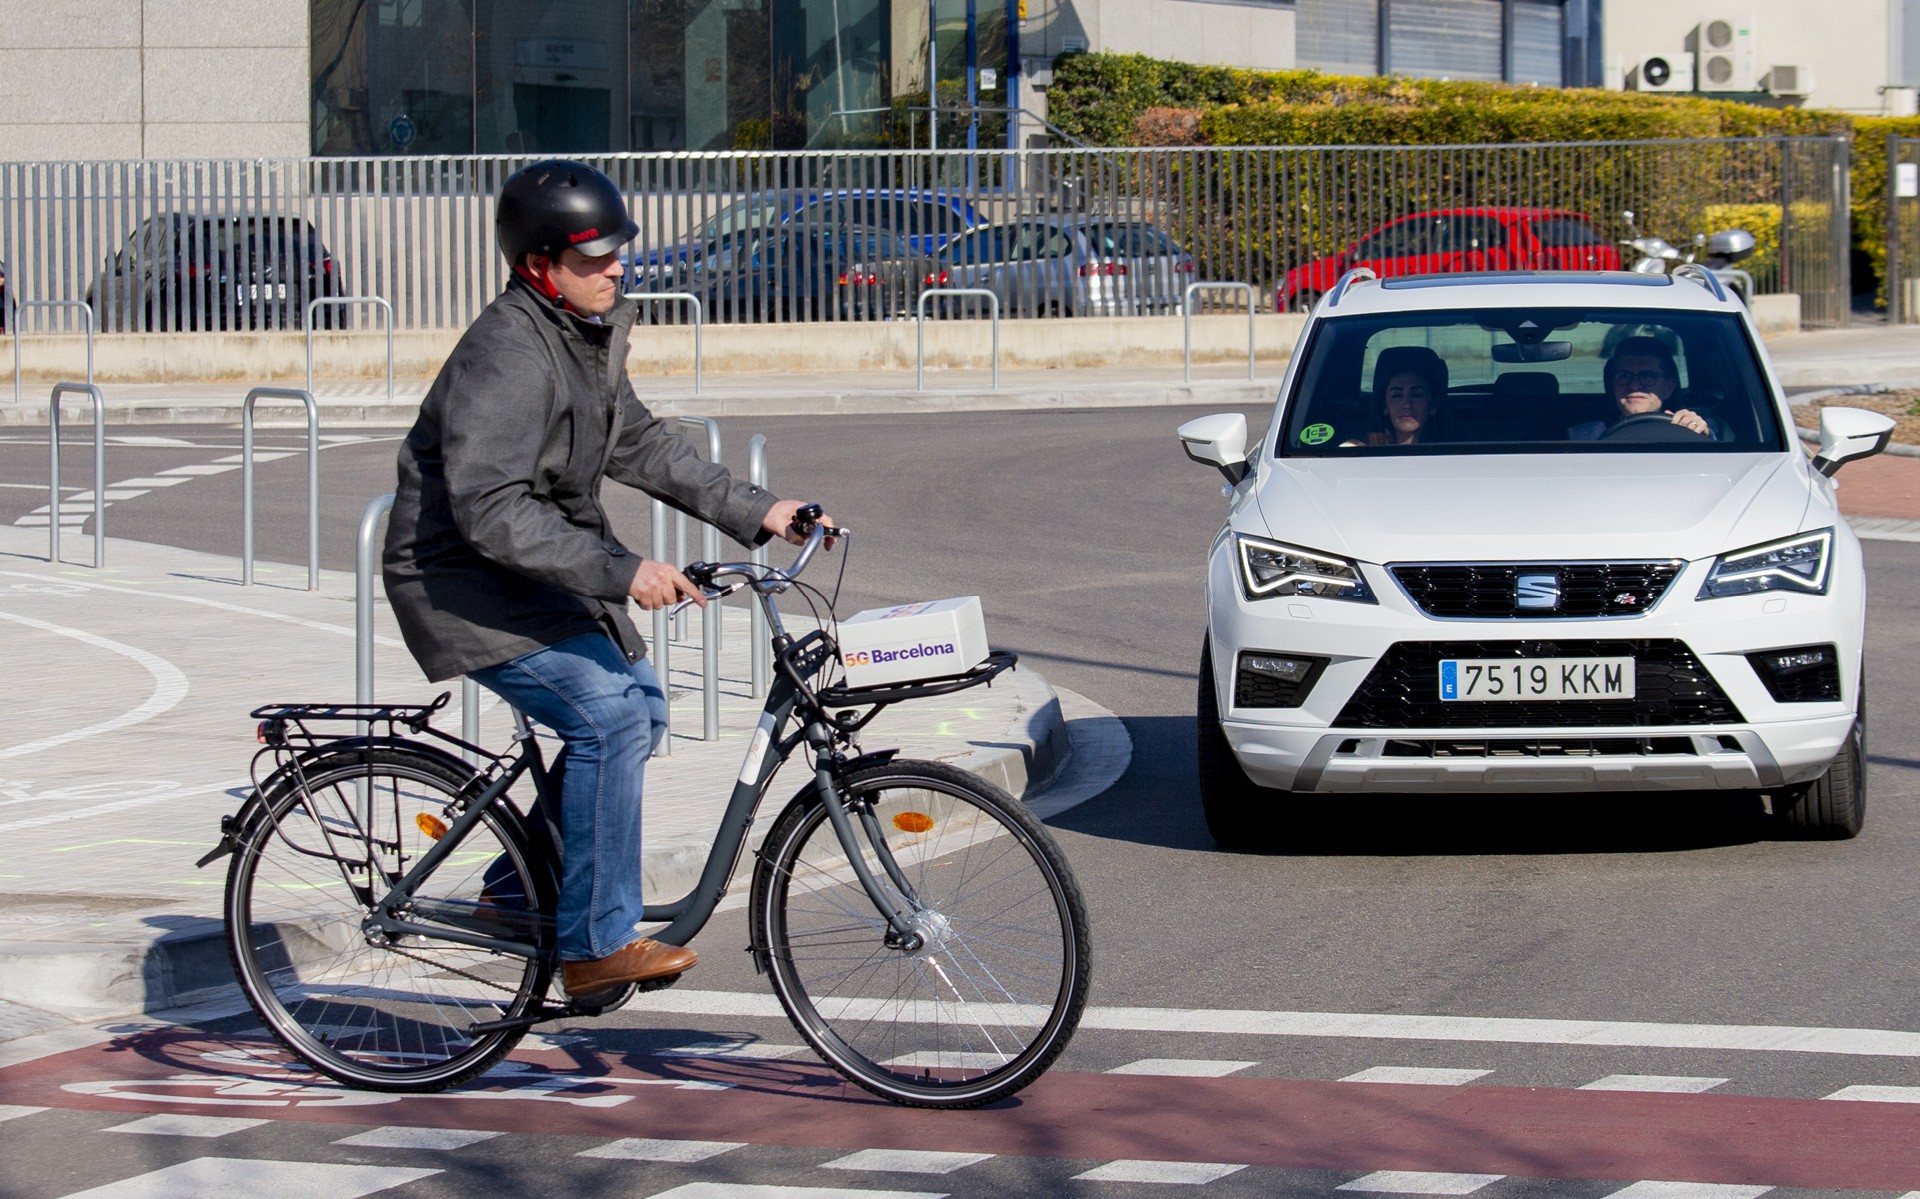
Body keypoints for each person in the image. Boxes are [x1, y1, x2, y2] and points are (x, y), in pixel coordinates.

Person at [382, 159, 831, 997]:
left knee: (644, 706)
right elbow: (487, 508)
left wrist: (764, 511)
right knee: (610, 718)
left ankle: (516, 892)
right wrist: (623, 571)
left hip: (532, 566)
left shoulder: (584, 334)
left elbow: (641, 443)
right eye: (593, 258)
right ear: (537, 266)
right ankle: (592, 947)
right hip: (459, 578)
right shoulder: (509, 352)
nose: (616, 268)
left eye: (618, 251)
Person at [1572, 336, 1712, 439]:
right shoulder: (1584, 436)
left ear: (1668, 388)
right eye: (1624, 376)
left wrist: (1702, 433)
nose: (1634, 385)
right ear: (1612, 384)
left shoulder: (1694, 427)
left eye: (1648, 376)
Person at [1344, 345, 1447, 446]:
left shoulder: (1458, 450)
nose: (1407, 404)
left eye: (1416, 395)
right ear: (1385, 406)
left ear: (1434, 405)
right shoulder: (1357, 450)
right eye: (1397, 395)